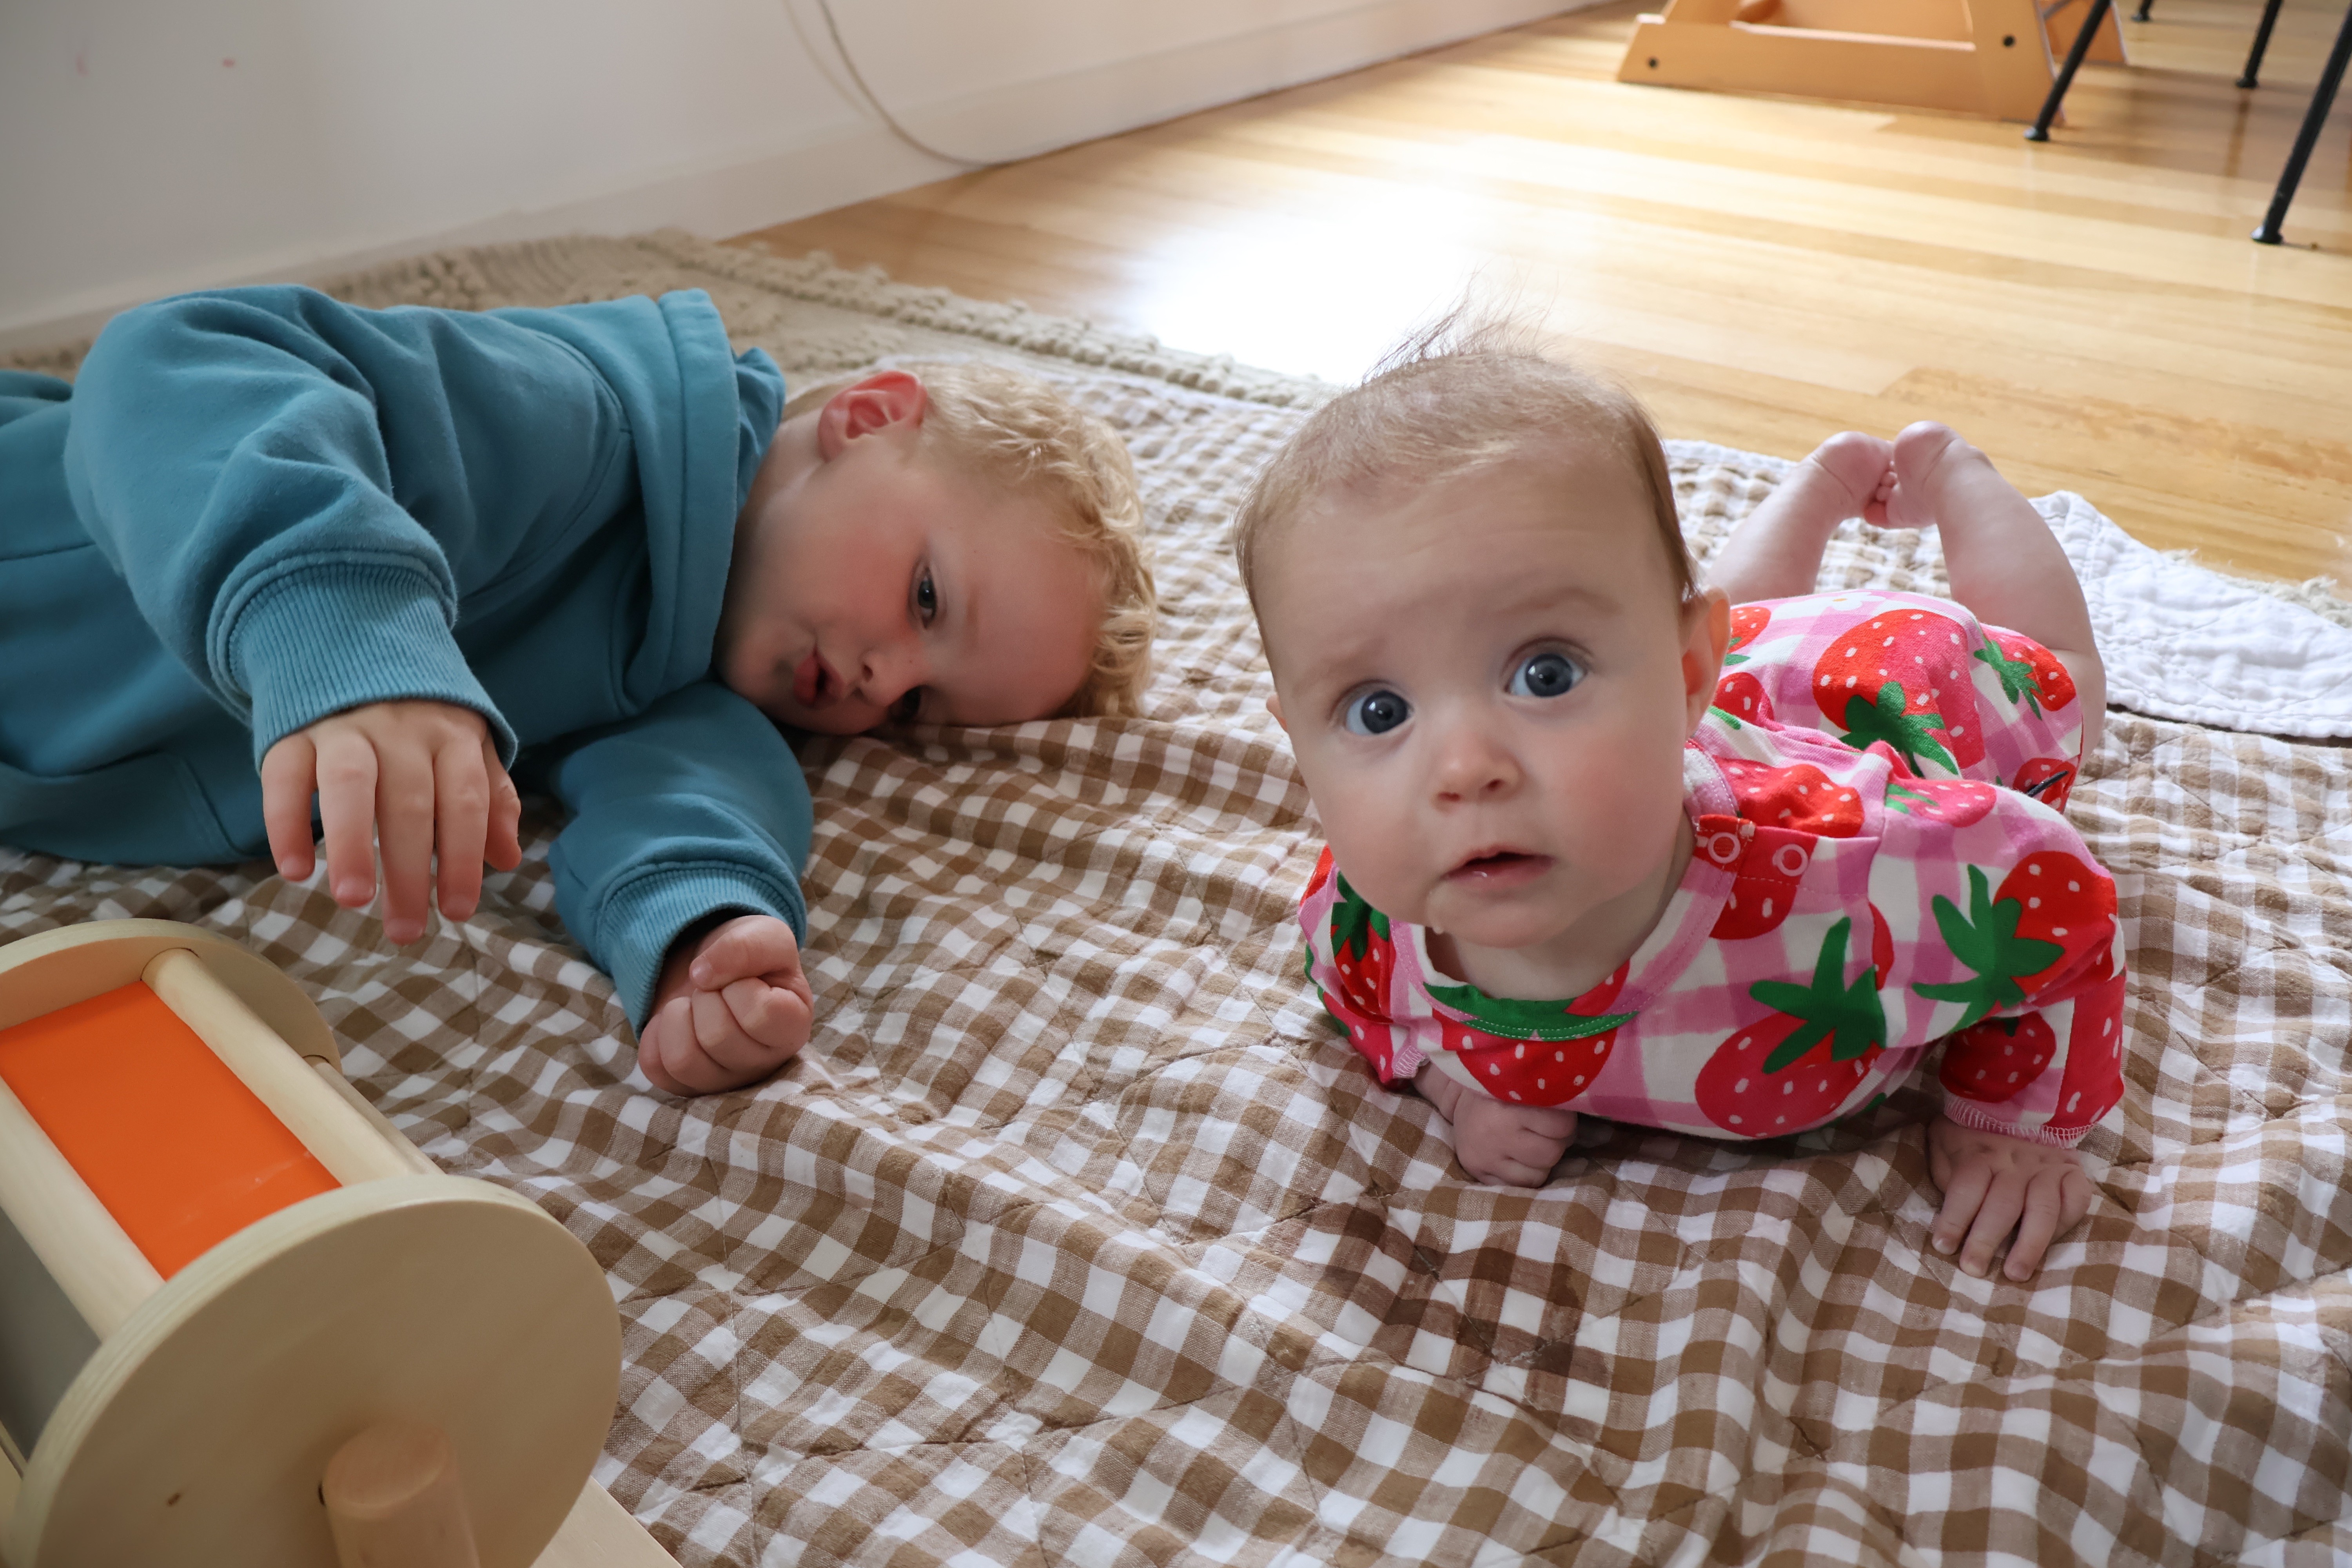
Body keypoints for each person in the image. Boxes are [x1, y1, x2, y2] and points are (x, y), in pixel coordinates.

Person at [0, 286, 1153, 1096]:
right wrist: (343, 629)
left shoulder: (688, 672)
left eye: (914, 706)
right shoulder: (577, 420)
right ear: (869, 418)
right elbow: (174, 360)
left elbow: (701, 787)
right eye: (926, 600)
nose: (881, 678)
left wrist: (704, 936)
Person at [1234, 317, 2124, 1282]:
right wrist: (1455, 1087)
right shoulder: (1363, 915)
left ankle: (1953, 469)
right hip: (1730, 678)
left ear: (1684, 672)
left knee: (2063, 682)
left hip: (1892, 690)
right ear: (1302, 745)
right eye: (1378, 710)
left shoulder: (1864, 871)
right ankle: (1821, 485)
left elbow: (2060, 901)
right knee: (1717, 623)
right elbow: (1369, 1005)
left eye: (1544, 673)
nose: (1463, 768)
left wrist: (2012, 1118)